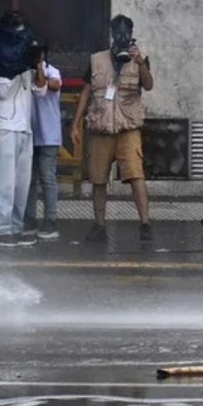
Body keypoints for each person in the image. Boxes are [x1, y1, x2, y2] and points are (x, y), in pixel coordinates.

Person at [71, 15, 155, 243]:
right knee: (98, 179)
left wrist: (139, 63)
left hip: (128, 128)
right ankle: (99, 225)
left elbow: (148, 85)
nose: (121, 36)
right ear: (111, 33)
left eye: (125, 32)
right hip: (101, 128)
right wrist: (76, 123)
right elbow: (87, 91)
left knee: (136, 175)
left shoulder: (139, 58)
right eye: (117, 31)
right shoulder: (96, 60)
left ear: (131, 33)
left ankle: (145, 223)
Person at [0, 16, 48, 248]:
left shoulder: (26, 66)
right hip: (3, 128)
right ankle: (0, 229)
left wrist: (37, 64)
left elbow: (41, 91)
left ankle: (15, 225)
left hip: (24, 128)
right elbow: (2, 90)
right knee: (4, 182)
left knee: (21, 184)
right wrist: (18, 65)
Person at [24, 42, 64, 241]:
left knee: (47, 178)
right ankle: (29, 218)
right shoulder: (24, 73)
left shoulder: (52, 71)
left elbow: (53, 86)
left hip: (48, 135)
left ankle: (50, 219)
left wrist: (40, 68)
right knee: (29, 180)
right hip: (30, 134)